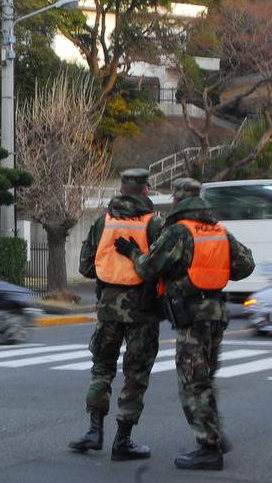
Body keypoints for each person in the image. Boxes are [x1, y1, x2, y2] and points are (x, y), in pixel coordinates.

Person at [114, 177, 254, 471]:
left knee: (192, 381)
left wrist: (133, 253)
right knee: (205, 378)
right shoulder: (218, 230)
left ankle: (209, 447)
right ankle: (212, 432)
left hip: (191, 317)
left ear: (177, 201)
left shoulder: (178, 231)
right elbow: (245, 265)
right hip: (217, 313)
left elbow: (149, 268)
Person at [70, 168, 163, 461]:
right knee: (135, 375)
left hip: (108, 307)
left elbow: (86, 267)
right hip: (142, 310)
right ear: (146, 191)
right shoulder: (154, 224)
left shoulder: (103, 221)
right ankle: (123, 441)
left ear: (121, 191)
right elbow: (160, 266)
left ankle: (94, 431)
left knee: (102, 368)